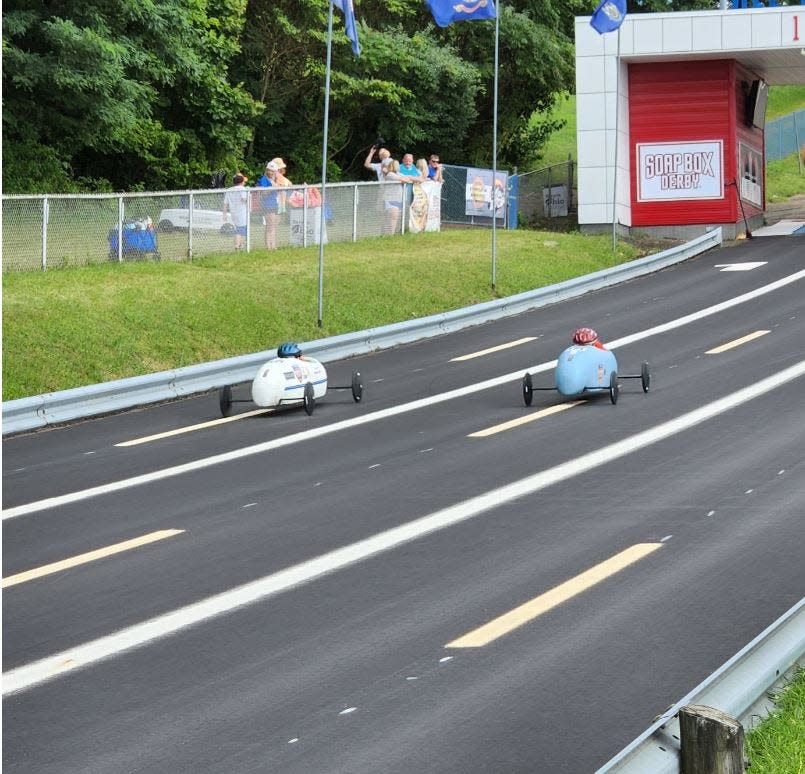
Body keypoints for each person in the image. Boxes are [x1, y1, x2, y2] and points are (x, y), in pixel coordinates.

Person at [223, 173, 250, 250]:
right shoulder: (243, 189)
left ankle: (239, 245)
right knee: (240, 231)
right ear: (241, 181)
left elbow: (225, 204)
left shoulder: (229, 190)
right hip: (242, 213)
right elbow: (244, 199)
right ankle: (237, 246)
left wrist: (224, 214)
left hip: (233, 213)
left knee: (238, 229)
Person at [256, 161, 280, 249]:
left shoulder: (275, 180)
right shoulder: (264, 179)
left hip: (274, 204)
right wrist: (272, 187)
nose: (271, 172)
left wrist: (276, 185)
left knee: (273, 225)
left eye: (273, 171)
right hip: (267, 205)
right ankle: (268, 246)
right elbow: (262, 192)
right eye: (269, 170)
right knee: (269, 226)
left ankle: (273, 245)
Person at [381, 158, 405, 235]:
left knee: (395, 217)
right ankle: (388, 233)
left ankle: (392, 233)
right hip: (390, 198)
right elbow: (404, 179)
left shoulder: (397, 173)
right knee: (391, 216)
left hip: (398, 198)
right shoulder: (390, 174)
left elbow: (408, 177)